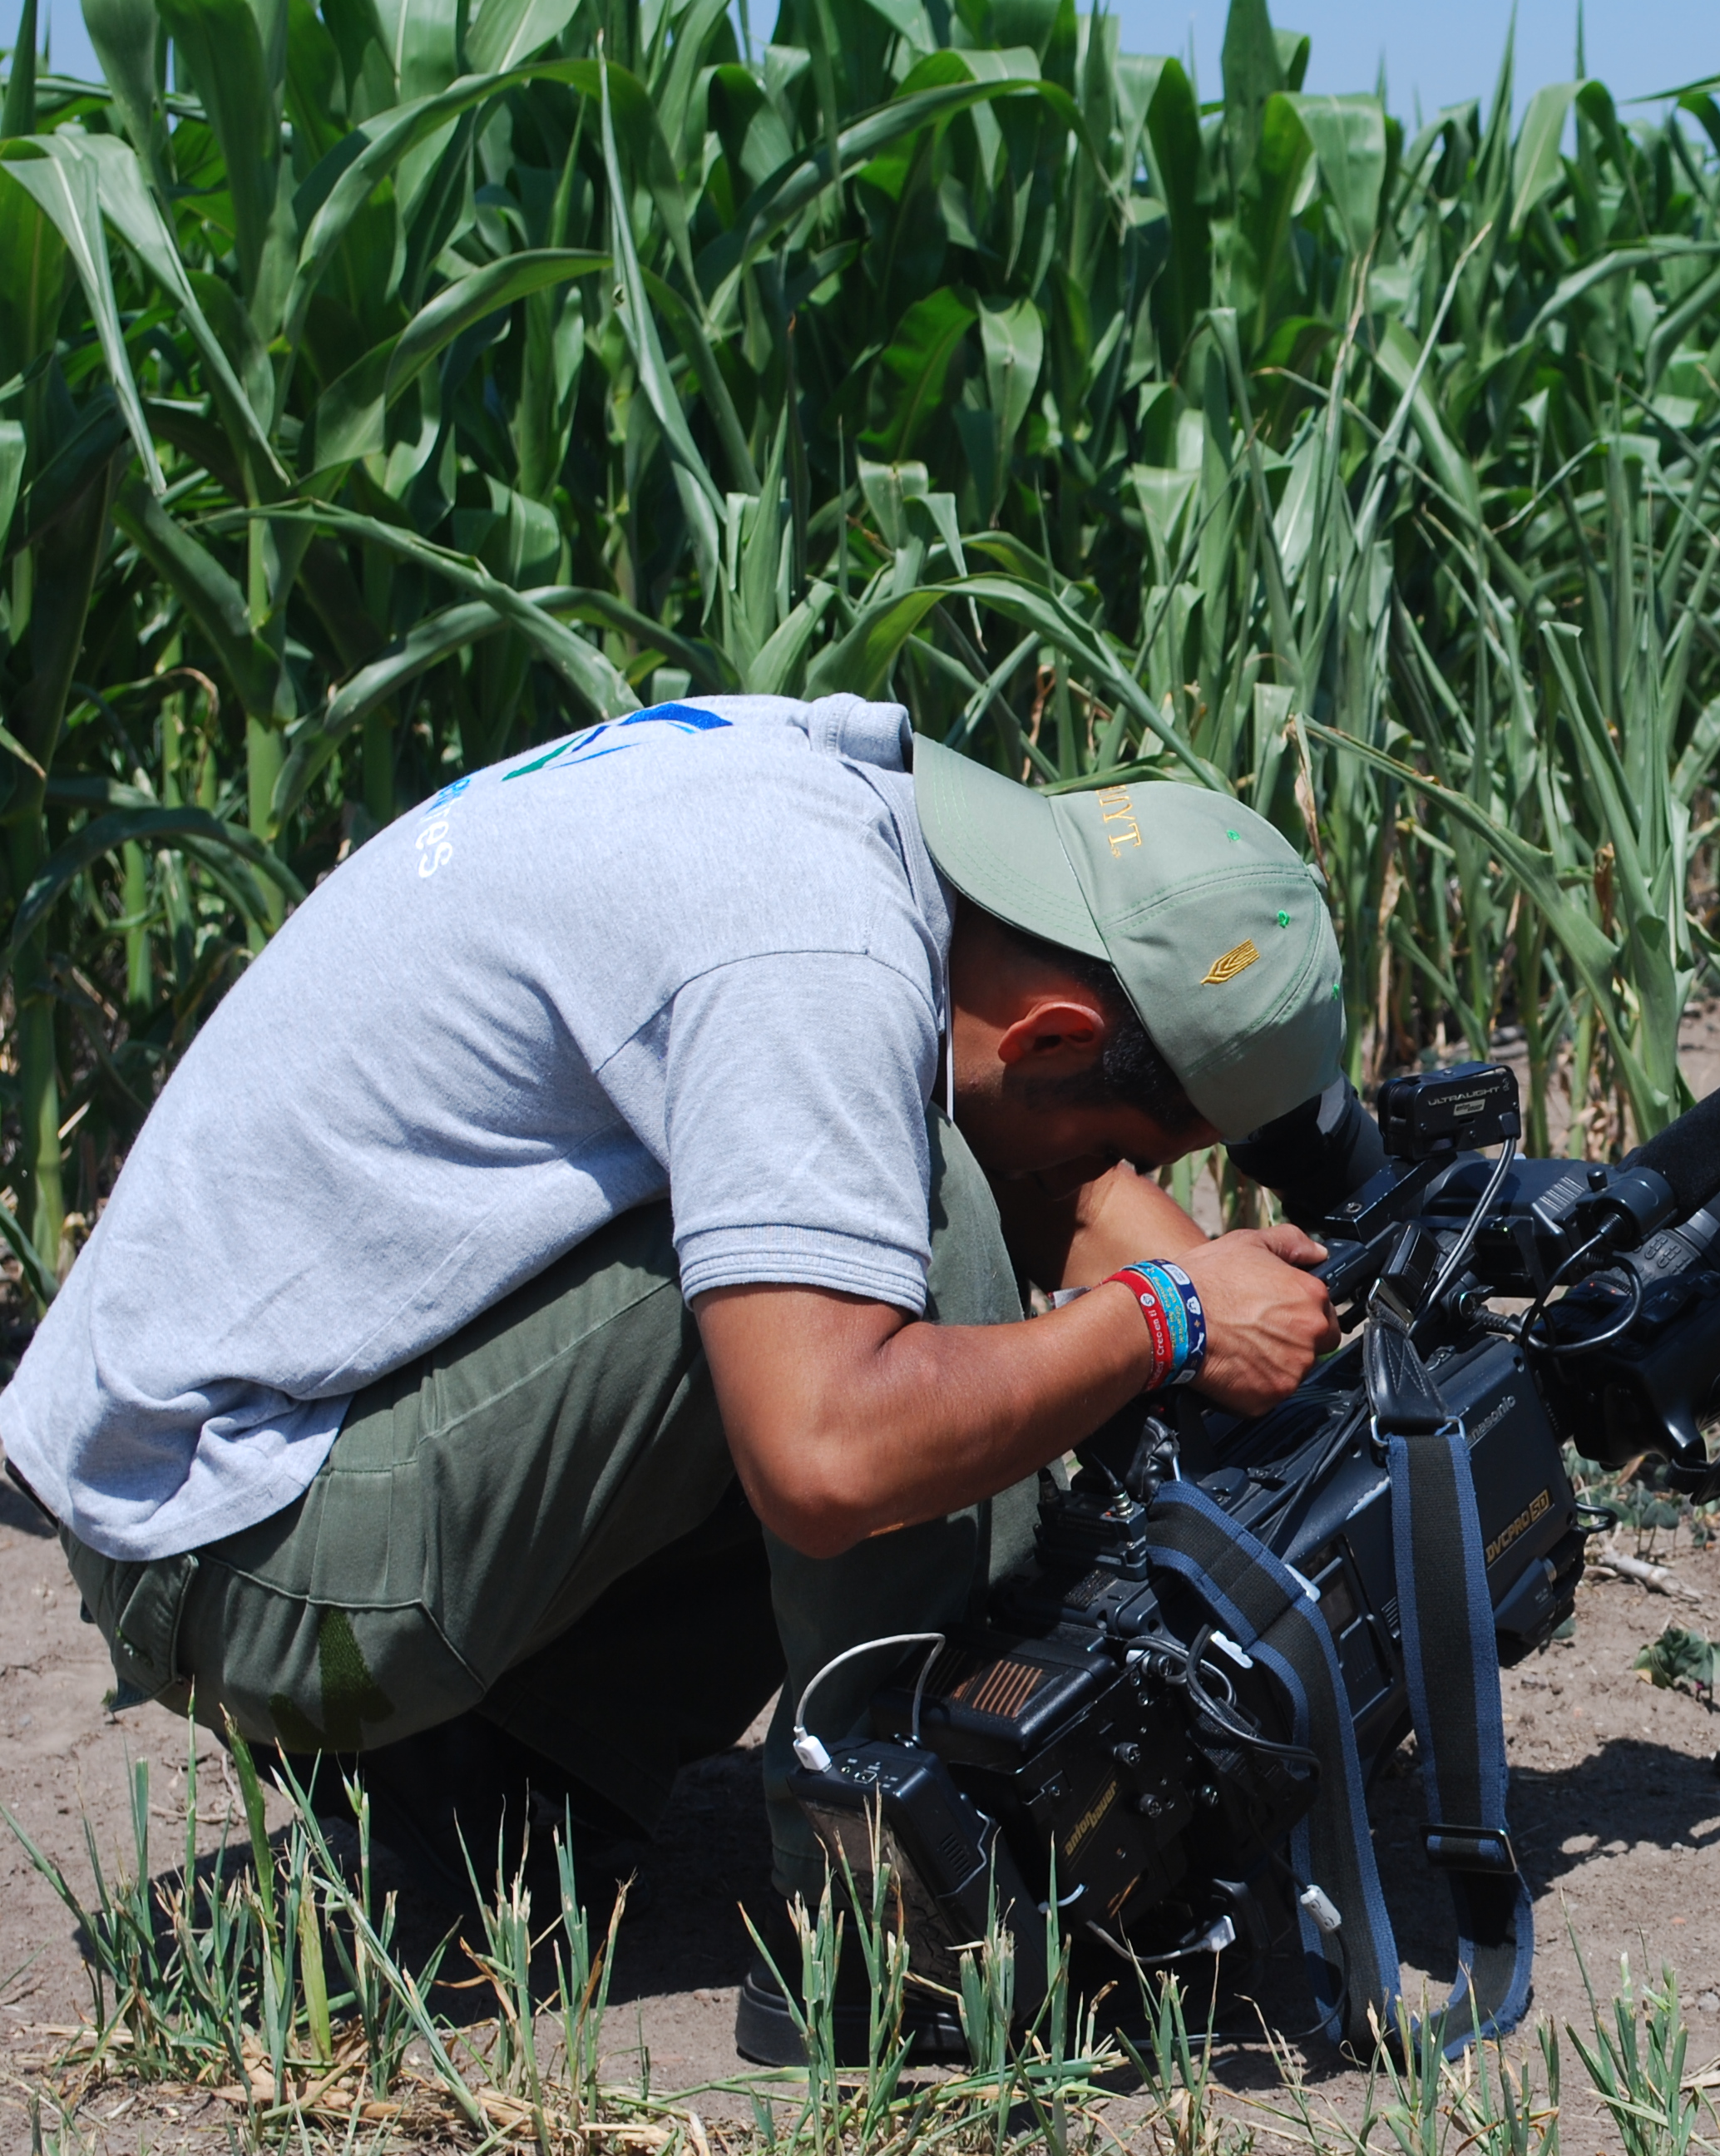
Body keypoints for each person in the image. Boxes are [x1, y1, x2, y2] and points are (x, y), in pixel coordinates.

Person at [0, 693, 1358, 2057]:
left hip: (238, 1451)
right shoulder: (817, 958)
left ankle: (494, 1777)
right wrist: (1165, 1321)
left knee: (848, 1222)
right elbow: (828, 1457)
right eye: (1146, 1143)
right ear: (1056, 1033)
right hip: (248, 1554)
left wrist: (1242, 1317)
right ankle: (896, 1927)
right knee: (883, 1252)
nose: (1130, 1182)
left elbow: (1046, 1155)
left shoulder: (860, 820)